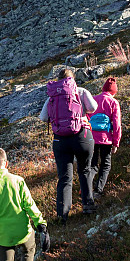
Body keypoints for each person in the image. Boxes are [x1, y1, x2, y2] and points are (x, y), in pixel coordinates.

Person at [39, 68, 98, 221]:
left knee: (64, 177)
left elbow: (43, 117)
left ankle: (62, 215)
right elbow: (93, 107)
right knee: (84, 170)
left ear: (58, 80)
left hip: (60, 139)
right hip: (82, 136)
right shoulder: (81, 91)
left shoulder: (53, 95)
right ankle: (88, 206)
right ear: (73, 79)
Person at [89, 76, 122, 203]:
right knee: (105, 165)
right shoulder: (113, 103)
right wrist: (116, 142)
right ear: (114, 92)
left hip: (91, 138)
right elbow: (117, 124)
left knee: (92, 165)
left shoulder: (93, 99)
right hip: (106, 140)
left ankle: (87, 188)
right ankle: (98, 191)